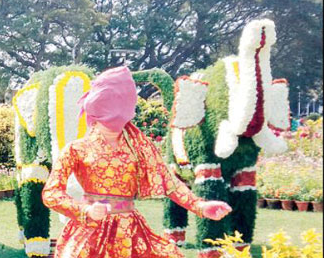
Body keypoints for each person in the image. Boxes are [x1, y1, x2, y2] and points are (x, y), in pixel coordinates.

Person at [42, 66, 232, 258]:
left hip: (129, 234)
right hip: (90, 233)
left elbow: (170, 183)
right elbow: (51, 193)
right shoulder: (76, 149)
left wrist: (200, 206)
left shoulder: (138, 146)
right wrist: (85, 210)